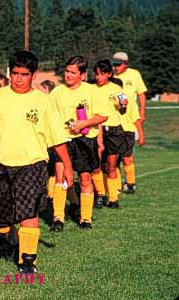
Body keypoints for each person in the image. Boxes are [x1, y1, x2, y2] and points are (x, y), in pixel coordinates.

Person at [0, 50, 74, 273]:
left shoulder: (43, 101)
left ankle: (28, 261)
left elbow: (57, 138)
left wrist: (68, 166)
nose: (18, 79)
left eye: (24, 74)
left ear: (33, 75)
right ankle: (10, 237)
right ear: (9, 72)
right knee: (1, 219)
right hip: (0, 165)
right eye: (14, 73)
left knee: (28, 213)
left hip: (32, 165)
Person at [49, 56, 109, 231]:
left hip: (85, 140)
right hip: (63, 140)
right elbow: (49, 116)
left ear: (82, 75)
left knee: (84, 178)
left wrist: (84, 123)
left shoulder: (91, 91)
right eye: (67, 71)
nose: (68, 75)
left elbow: (102, 116)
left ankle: (85, 218)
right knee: (61, 176)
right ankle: (58, 217)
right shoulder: (57, 93)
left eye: (73, 72)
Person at [92, 59, 127, 208]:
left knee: (111, 166)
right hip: (95, 129)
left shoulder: (116, 89)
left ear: (109, 74)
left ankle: (113, 199)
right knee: (96, 165)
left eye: (102, 74)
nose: (98, 77)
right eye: (97, 74)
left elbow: (123, 108)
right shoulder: (89, 89)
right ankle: (100, 194)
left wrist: (123, 104)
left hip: (113, 130)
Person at [112, 52, 147, 193]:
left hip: (130, 119)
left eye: (118, 65)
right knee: (114, 157)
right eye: (114, 64)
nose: (115, 68)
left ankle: (130, 182)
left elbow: (141, 93)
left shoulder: (134, 74)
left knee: (127, 156)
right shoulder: (111, 76)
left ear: (126, 64)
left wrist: (142, 111)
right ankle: (117, 185)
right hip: (115, 119)